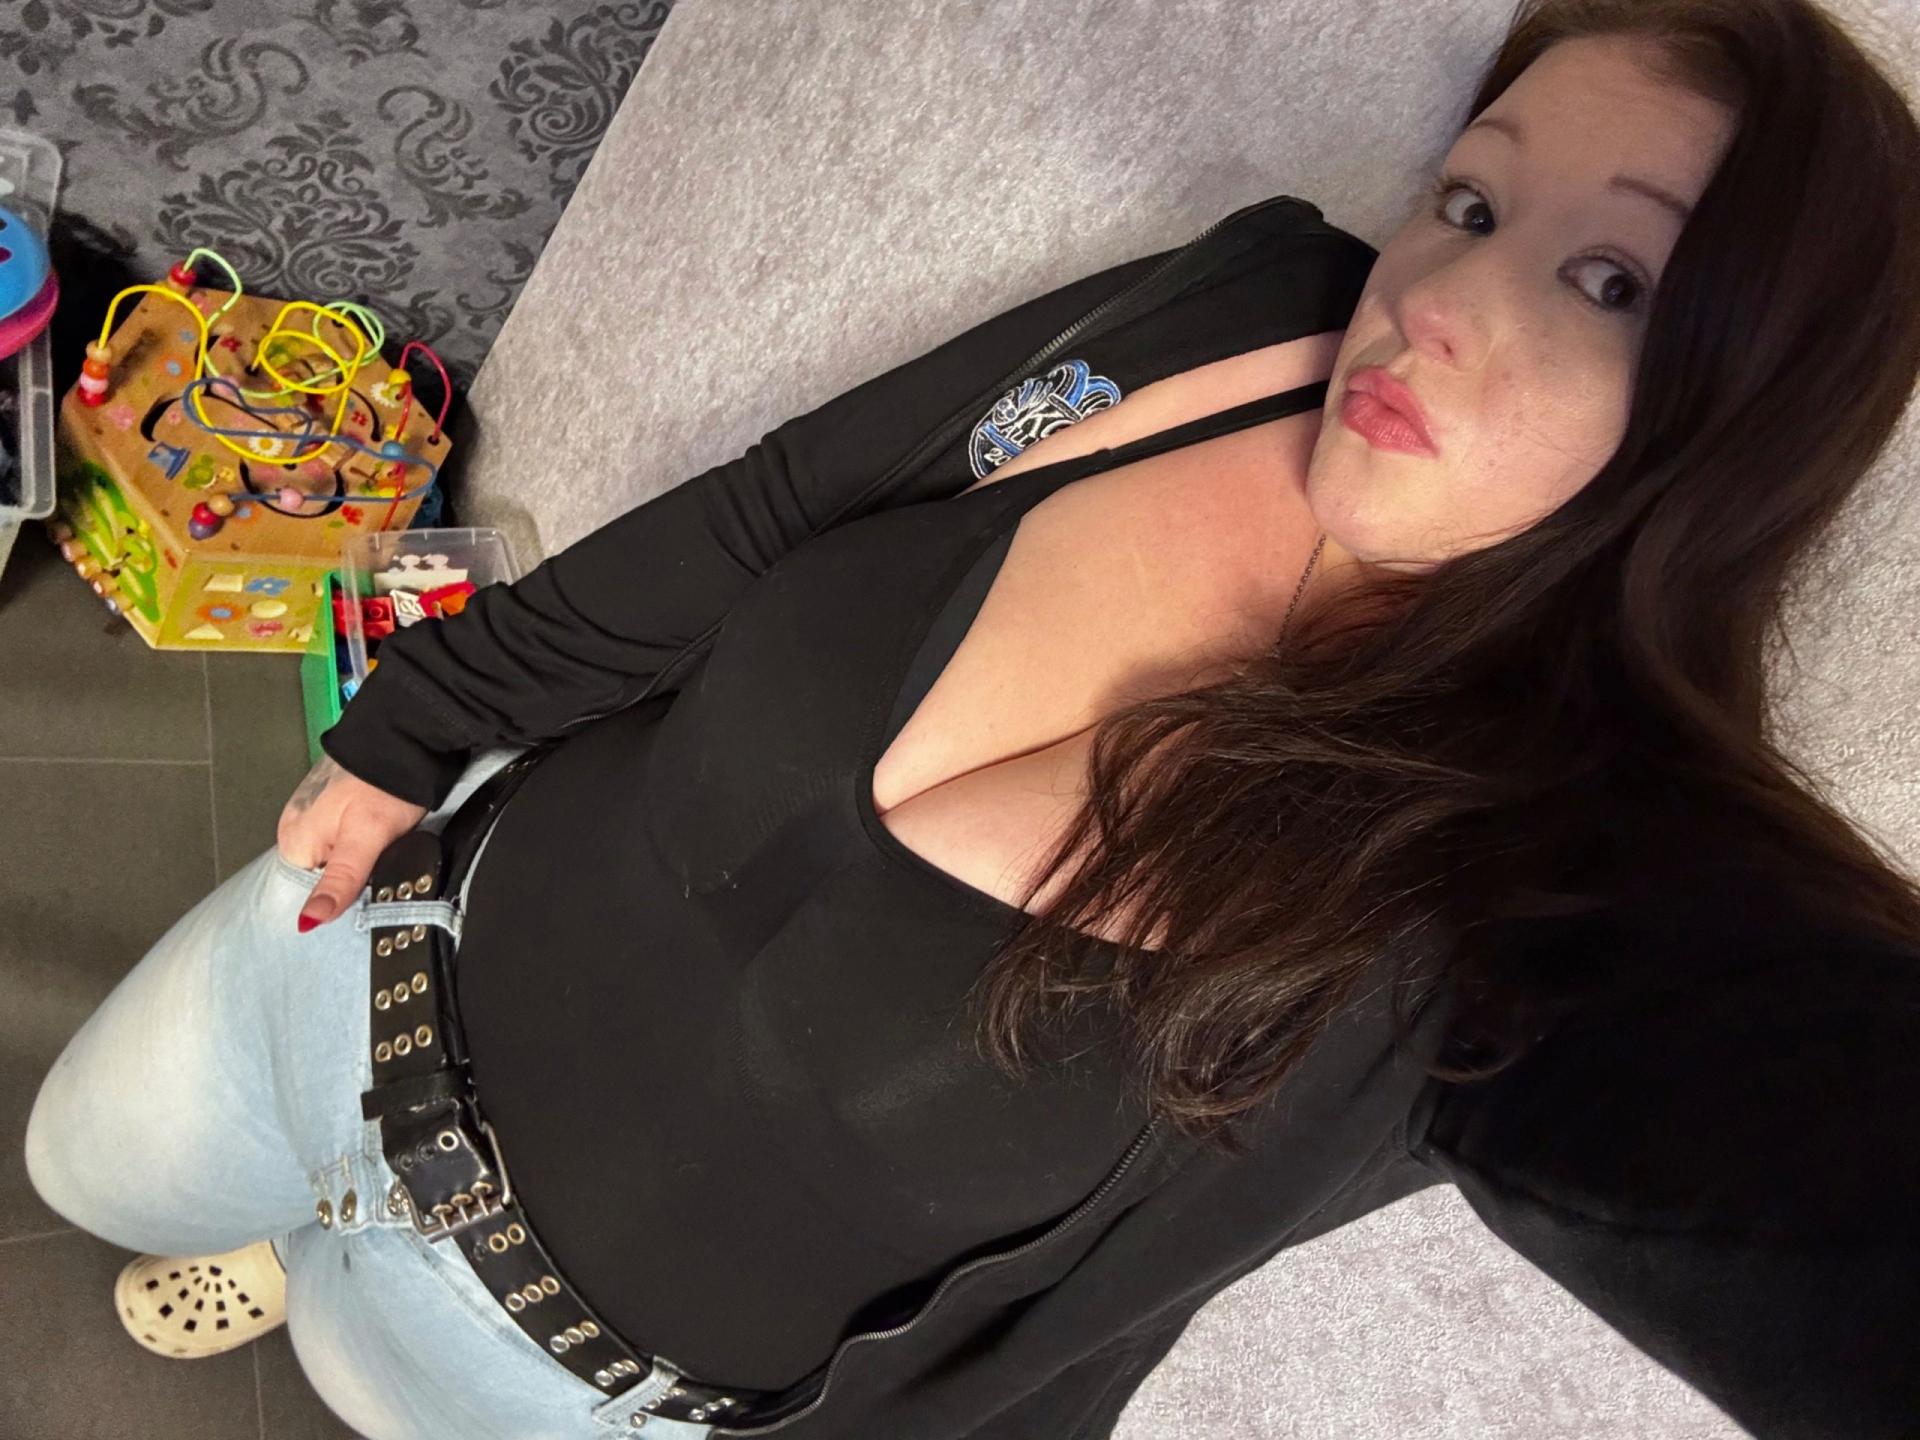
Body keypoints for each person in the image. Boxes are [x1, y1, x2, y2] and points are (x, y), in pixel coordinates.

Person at [26, 1, 1920, 1437]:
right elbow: (775, 508)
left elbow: (1815, 1179)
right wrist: (416, 722)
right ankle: (294, 1223)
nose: (1432, 299)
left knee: (350, 1368)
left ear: (1746, 412)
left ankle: (324, 1273)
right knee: (71, 1173)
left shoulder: (1549, 883)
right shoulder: (1242, 319)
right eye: (1472, 199)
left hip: (539, 1381)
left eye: (1610, 279)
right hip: (348, 965)